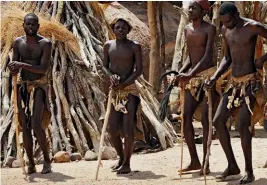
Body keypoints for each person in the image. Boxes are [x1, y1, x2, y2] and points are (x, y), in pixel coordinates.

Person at [205, 2, 267, 184]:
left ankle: (249, 171)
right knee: (218, 120)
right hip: (233, 83)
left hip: (250, 82)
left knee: (242, 125)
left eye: (230, 22)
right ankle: (232, 165)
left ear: (237, 15)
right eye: (224, 22)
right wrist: (215, 77)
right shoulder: (225, 30)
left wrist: (262, 59)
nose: (227, 25)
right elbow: (227, 57)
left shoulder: (253, 27)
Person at [175, 0, 218, 175]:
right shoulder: (187, 29)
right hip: (192, 76)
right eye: (189, 7)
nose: (190, 10)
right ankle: (194, 160)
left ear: (204, 11)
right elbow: (189, 56)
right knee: (185, 118)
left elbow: (207, 56)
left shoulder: (210, 29)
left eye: (194, 8)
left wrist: (189, 74)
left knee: (207, 120)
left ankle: (206, 161)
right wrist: (181, 72)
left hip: (207, 76)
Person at [8, 13, 52, 174]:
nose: (31, 27)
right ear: (23, 25)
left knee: (35, 123)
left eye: (33, 24)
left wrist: (21, 64)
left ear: (38, 26)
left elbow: (42, 68)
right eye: (28, 24)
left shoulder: (45, 44)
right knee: (25, 126)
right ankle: (31, 163)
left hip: (39, 86)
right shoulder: (18, 43)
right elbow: (15, 66)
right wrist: (13, 68)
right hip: (23, 86)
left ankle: (47, 160)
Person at [102, 18, 143, 174]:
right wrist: (111, 76)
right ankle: (120, 157)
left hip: (130, 89)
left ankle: (127, 163)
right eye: (117, 27)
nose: (120, 30)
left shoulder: (134, 47)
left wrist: (125, 83)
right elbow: (105, 66)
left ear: (128, 30)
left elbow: (138, 70)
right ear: (113, 29)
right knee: (112, 129)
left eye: (124, 28)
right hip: (115, 90)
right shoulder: (108, 46)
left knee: (127, 128)